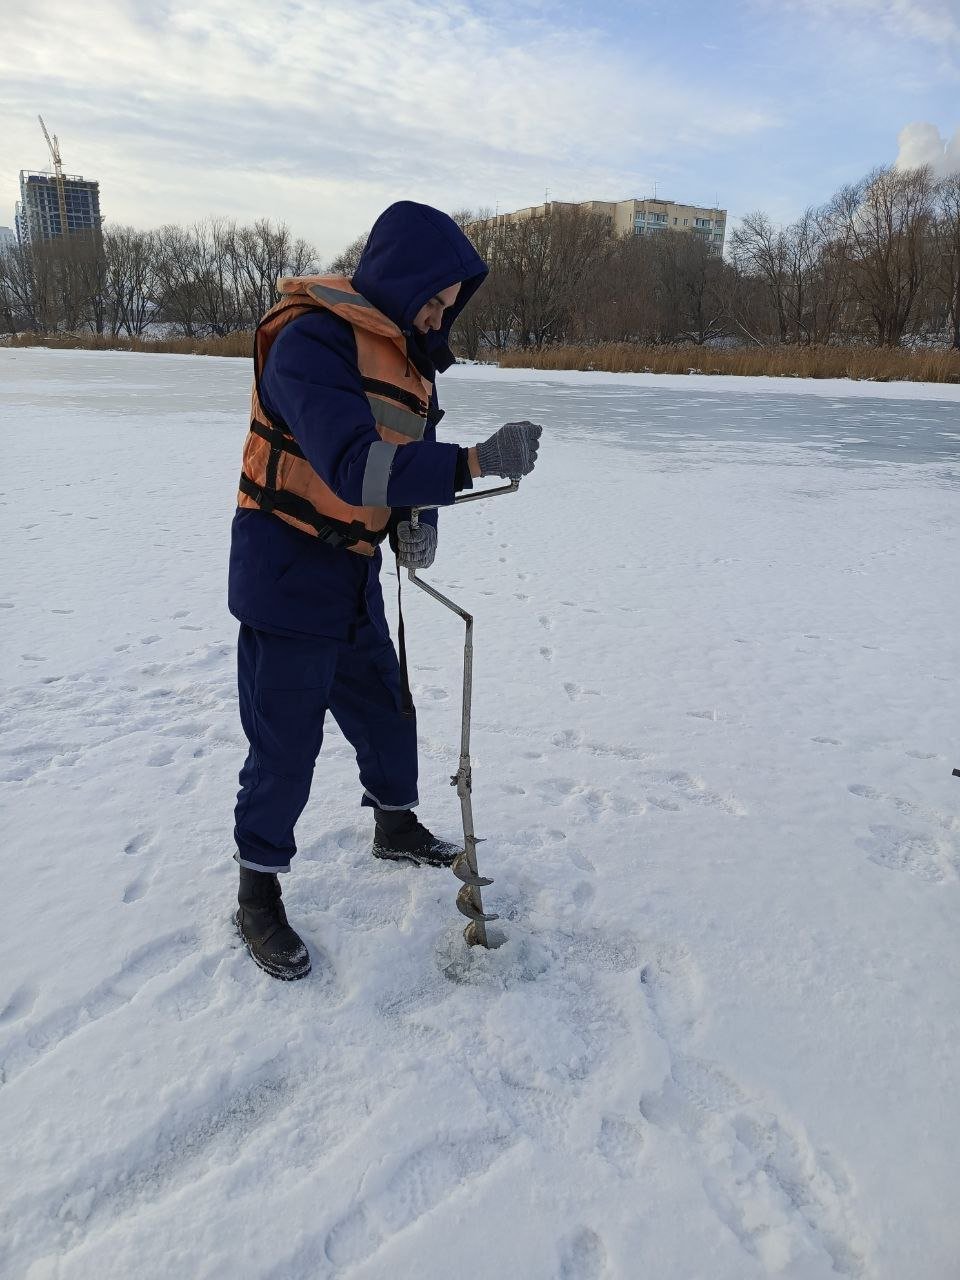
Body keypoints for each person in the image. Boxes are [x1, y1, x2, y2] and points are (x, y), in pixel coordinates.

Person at [227, 201, 542, 980]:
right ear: (398, 280)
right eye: (431, 299)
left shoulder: (408, 362)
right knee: (285, 743)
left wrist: (420, 518)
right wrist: (471, 465)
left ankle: (394, 825)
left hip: (352, 571)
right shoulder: (312, 342)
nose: (438, 316)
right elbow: (352, 465)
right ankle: (256, 889)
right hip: (285, 568)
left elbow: (409, 458)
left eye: (447, 306)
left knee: (385, 708)